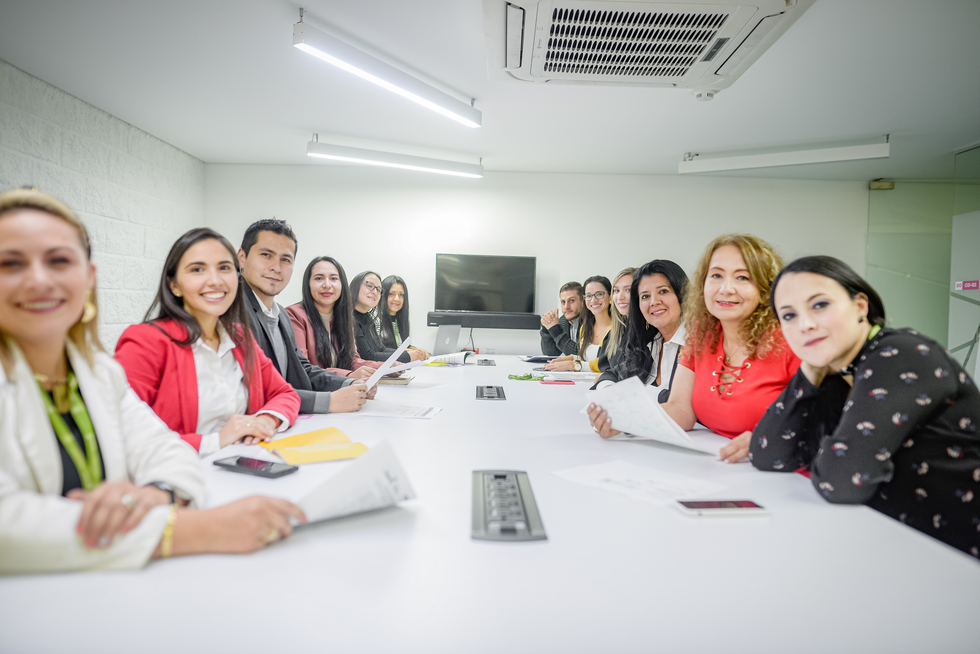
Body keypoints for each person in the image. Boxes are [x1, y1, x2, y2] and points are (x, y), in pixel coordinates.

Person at [0, 189, 305, 574]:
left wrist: (155, 494)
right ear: (174, 283)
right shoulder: (146, 341)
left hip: (111, 579)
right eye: (11, 264)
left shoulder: (97, 372)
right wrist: (186, 530)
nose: (39, 280)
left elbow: (164, 451)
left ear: (88, 277)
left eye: (59, 261)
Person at [750, 256, 980, 557]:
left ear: (861, 306)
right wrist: (810, 371)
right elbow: (768, 454)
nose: (805, 324)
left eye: (820, 305)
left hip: (957, 551)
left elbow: (843, 482)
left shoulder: (899, 354)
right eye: (789, 316)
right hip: (899, 539)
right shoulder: (839, 369)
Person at [588, 235, 800, 463]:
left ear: (765, 285)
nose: (726, 288)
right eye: (716, 276)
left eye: (742, 277)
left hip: (784, 478)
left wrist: (771, 438)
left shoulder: (792, 338)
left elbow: (830, 422)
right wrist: (622, 422)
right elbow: (681, 411)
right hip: (717, 468)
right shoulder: (702, 336)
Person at [115, 228, 301, 457]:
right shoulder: (145, 342)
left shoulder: (240, 338)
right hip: (178, 478)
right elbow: (121, 438)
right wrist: (217, 440)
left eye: (224, 268)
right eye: (197, 269)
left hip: (243, 467)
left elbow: (285, 393)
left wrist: (266, 419)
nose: (215, 281)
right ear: (174, 285)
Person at [236, 220, 372, 413]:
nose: (276, 267)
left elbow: (302, 369)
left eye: (285, 259)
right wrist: (329, 402)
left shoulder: (280, 313)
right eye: (266, 255)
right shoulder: (232, 309)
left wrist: (348, 384)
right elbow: (251, 389)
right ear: (242, 257)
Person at [593, 260, 688, 397]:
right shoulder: (651, 343)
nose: (654, 301)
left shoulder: (699, 343)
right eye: (645, 296)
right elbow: (611, 374)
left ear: (682, 295)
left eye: (663, 291)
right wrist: (610, 395)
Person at [286, 256, 382, 378]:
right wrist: (349, 376)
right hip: (316, 394)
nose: (327, 285)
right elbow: (302, 369)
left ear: (342, 284)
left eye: (334, 278)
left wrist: (387, 367)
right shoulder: (293, 315)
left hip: (342, 389)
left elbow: (352, 361)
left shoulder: (345, 319)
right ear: (308, 283)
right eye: (319, 278)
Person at [351, 271, 426, 364]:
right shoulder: (349, 318)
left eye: (378, 290)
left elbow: (381, 349)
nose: (374, 292)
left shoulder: (368, 318)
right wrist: (407, 356)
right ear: (355, 286)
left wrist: (408, 353)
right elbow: (367, 356)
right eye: (369, 286)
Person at [544, 276, 612, 372]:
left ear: (611, 296)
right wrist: (572, 358)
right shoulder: (585, 328)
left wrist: (574, 365)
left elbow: (609, 363)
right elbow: (588, 358)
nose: (593, 300)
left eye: (599, 294)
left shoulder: (618, 329)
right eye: (588, 296)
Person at [589, 267, 635, 377]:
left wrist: (606, 379)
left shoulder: (648, 330)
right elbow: (604, 364)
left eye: (628, 290)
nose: (620, 297)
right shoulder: (619, 329)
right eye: (616, 290)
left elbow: (629, 372)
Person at [380, 275, 429, 359]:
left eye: (401, 295)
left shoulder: (399, 321)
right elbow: (380, 351)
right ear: (382, 295)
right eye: (391, 294)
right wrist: (407, 352)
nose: (397, 299)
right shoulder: (376, 321)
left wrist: (414, 349)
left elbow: (398, 345)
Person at [539, 281, 584, 357]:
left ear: (583, 301)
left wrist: (556, 330)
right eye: (563, 302)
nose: (566, 306)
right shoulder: (563, 321)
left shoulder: (591, 321)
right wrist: (547, 328)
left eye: (571, 301)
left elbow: (579, 353)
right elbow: (551, 354)